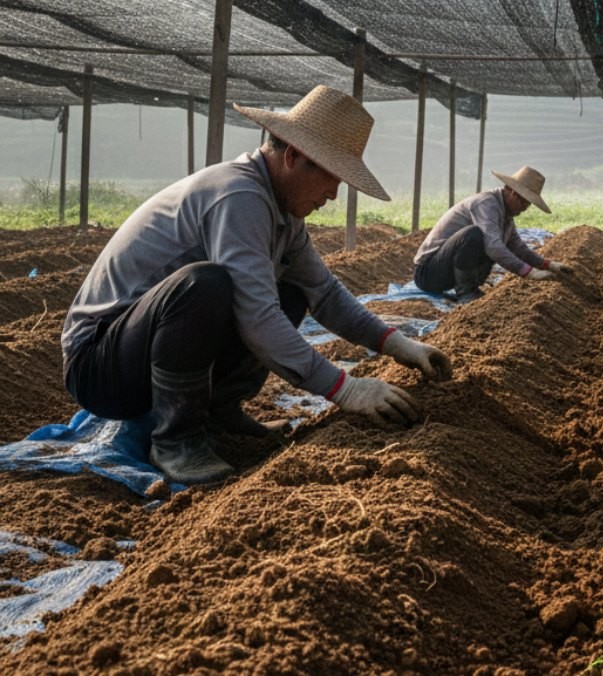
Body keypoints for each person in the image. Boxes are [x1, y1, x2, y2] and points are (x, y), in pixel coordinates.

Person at [61, 85, 453, 485]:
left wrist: (396, 343)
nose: (333, 195)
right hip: (100, 363)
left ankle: (219, 412)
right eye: (330, 178)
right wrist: (345, 389)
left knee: (292, 293)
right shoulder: (239, 195)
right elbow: (256, 314)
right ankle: (175, 438)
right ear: (293, 156)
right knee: (206, 285)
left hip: (145, 349)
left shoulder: (283, 214)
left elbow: (324, 292)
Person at [413, 166, 571, 302]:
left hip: (446, 273)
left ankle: (470, 289)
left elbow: (517, 246)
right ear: (514, 194)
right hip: (428, 274)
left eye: (528, 205)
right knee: (475, 235)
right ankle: (466, 293)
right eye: (524, 203)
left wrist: (547, 264)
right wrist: (528, 272)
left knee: (493, 240)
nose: (525, 209)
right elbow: (493, 246)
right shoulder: (487, 204)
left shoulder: (505, 215)